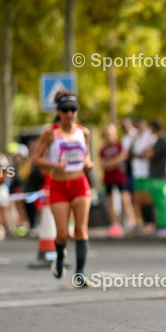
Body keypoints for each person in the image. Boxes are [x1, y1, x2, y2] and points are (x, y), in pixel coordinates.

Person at [31, 91, 95, 287]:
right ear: (58, 111)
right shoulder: (50, 133)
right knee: (62, 233)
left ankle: (80, 274)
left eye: (73, 109)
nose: (69, 114)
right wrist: (54, 166)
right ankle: (59, 257)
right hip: (59, 186)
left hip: (79, 183)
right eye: (65, 110)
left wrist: (88, 163)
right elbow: (36, 159)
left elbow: (86, 154)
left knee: (81, 230)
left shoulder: (84, 132)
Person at [144, 119, 166, 234]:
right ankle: (160, 223)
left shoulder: (162, 141)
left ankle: (165, 224)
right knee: (156, 202)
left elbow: (149, 154)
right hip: (155, 176)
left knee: (161, 201)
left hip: (159, 176)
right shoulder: (159, 140)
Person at [99, 124, 128, 237]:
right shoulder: (103, 149)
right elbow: (102, 164)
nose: (108, 136)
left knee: (125, 199)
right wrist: (114, 162)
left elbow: (122, 158)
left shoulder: (120, 145)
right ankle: (115, 224)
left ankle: (130, 222)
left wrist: (110, 163)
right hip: (108, 178)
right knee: (110, 202)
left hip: (120, 177)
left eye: (110, 134)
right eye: (106, 134)